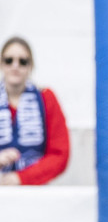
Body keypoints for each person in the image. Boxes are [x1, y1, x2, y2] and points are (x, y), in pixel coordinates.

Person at [0, 36, 70, 185]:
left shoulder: (46, 99)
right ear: (1, 64)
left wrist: (20, 178)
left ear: (30, 66)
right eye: (9, 60)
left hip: (34, 193)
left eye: (23, 61)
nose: (15, 66)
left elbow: (60, 154)